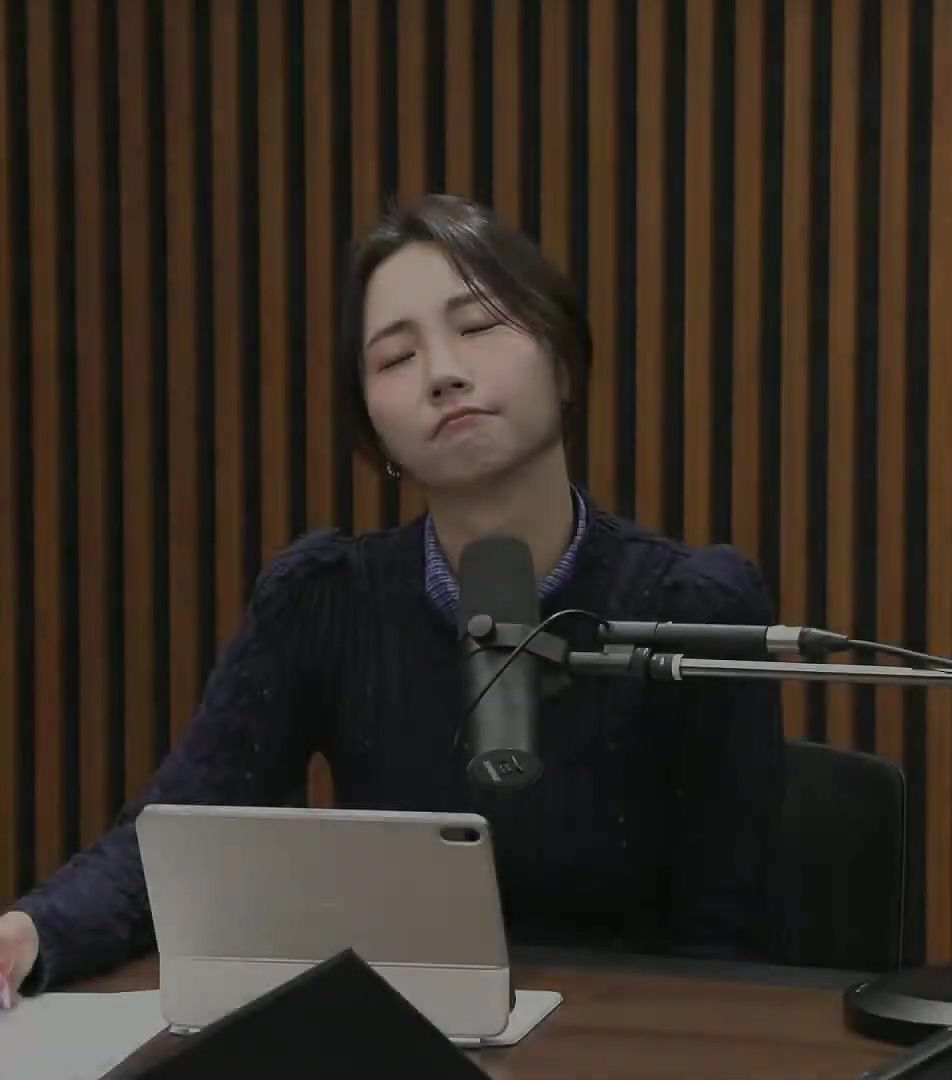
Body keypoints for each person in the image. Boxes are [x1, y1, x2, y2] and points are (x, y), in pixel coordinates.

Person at [0, 194, 785, 1005]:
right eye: (396, 358)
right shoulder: (326, 602)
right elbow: (178, 835)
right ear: (374, 430)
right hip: (405, 1035)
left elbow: (731, 942)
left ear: (561, 361)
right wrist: (33, 930)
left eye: (478, 326)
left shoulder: (695, 607)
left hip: (638, 1041)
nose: (443, 373)